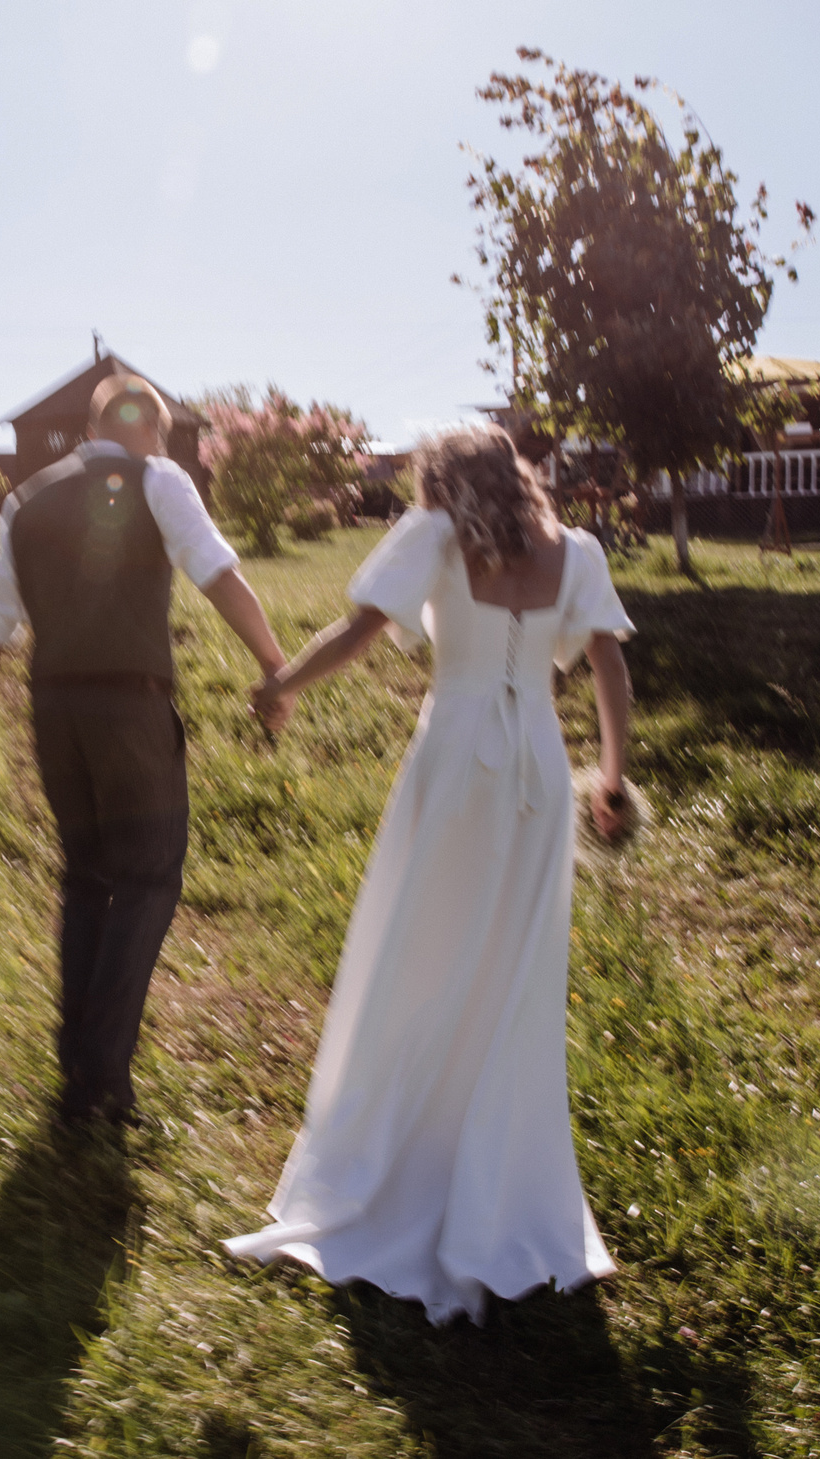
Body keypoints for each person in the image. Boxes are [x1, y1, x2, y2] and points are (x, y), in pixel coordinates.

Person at [223, 422, 635, 1322]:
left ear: (441, 481)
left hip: (456, 766)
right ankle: (493, 1185)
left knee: (418, 954)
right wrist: (610, 774)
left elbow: (363, 629)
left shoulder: (437, 534)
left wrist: (283, 682)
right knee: (511, 976)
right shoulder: (581, 552)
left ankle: (401, 1160)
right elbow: (608, 659)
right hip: (537, 775)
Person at [0, 372, 288, 1130]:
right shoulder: (158, 478)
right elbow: (217, 572)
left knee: (86, 880)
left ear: (91, 424)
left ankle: (80, 1070)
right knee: (148, 878)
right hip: (130, 708)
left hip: (54, 708)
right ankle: (102, 1073)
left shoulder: (24, 498)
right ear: (151, 430)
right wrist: (275, 665)